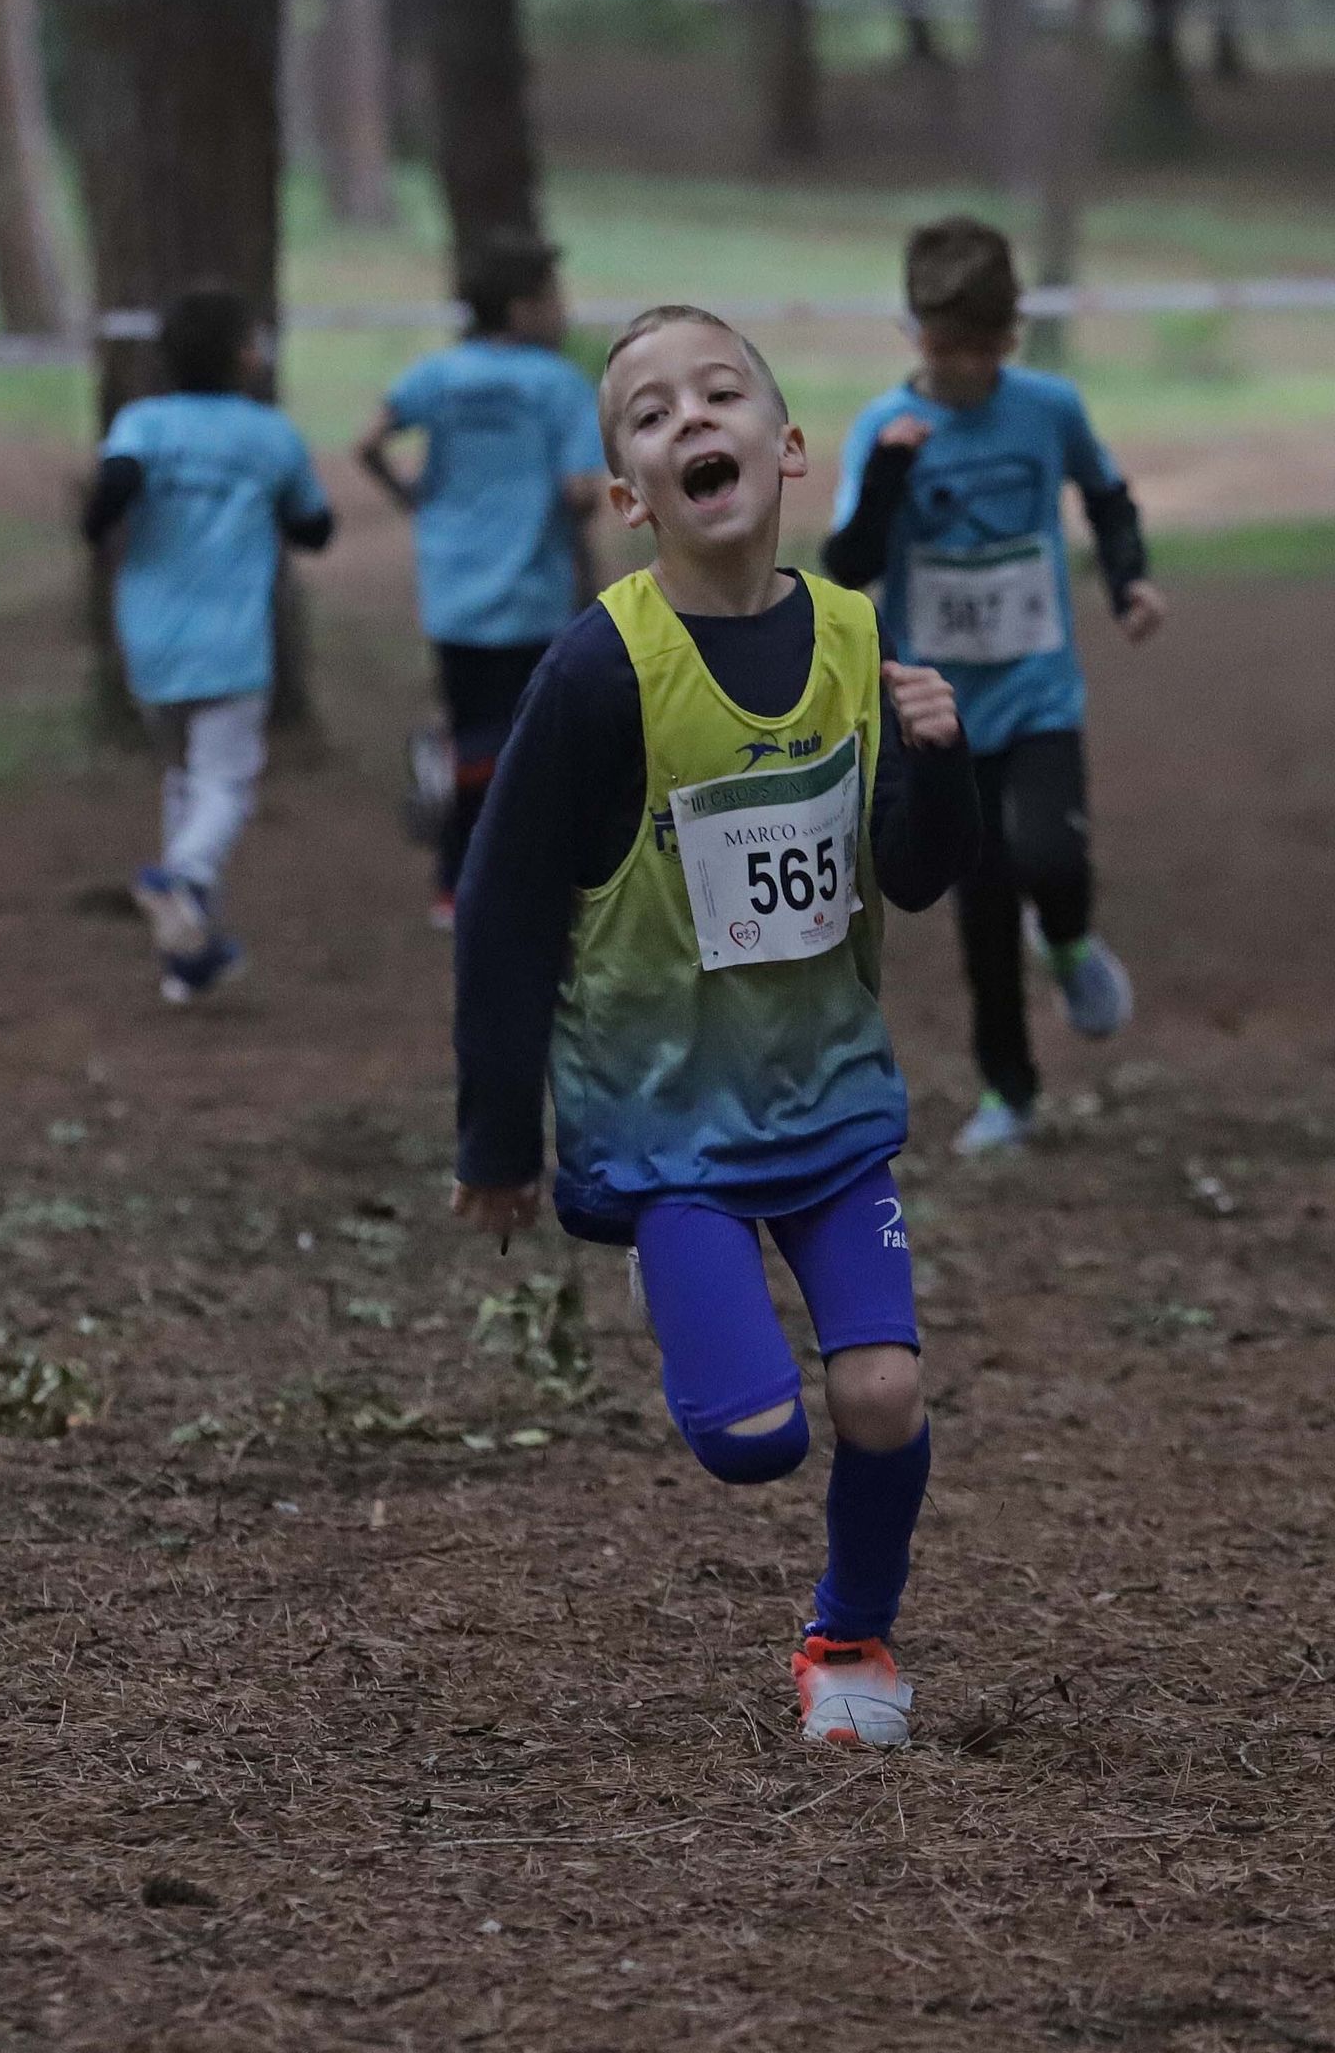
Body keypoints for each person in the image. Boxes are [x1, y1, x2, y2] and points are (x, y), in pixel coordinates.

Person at [451, 304, 980, 1750]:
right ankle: (684, 1277)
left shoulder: (859, 640)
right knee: (753, 1441)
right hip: (669, 1128)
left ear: (788, 445)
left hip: (828, 1110)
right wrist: (499, 1128)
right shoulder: (599, 670)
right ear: (629, 496)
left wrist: (941, 757)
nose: (692, 420)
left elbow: (917, 874)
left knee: (882, 1390)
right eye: (650, 412)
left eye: (722, 393)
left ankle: (849, 1634)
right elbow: (502, 904)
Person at [824, 217, 1165, 1156]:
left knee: (1051, 859)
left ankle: (1067, 945)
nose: (965, 368)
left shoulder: (1048, 409)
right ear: (914, 333)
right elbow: (846, 561)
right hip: (940, 712)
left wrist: (1128, 577)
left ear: (1011, 338)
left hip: (1040, 691)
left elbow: (1106, 493)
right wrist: (892, 469)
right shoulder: (881, 431)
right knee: (979, 910)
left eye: (983, 349)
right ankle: (1008, 1091)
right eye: (945, 347)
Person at [83, 286, 335, 1003]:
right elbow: (314, 526)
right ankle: (184, 879)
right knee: (224, 784)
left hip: (151, 641)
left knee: (182, 783)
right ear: (244, 355)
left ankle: (187, 955)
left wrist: (100, 522)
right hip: (230, 644)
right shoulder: (268, 435)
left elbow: (117, 480)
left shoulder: (143, 422)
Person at [355, 231, 606, 924]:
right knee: (526, 741)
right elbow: (582, 491)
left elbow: (367, 440)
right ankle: (519, 876)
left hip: (451, 588)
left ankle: (451, 883)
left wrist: (413, 498)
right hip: (531, 589)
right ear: (521, 309)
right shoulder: (558, 385)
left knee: (477, 725)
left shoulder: (439, 376)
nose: (564, 312)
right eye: (554, 299)